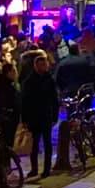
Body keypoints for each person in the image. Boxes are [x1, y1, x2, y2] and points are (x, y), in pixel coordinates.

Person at [21, 50, 59, 178]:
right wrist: (25, 119)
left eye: (44, 65)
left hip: (46, 115)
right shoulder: (29, 81)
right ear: (36, 66)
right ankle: (34, 168)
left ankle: (46, 169)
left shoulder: (49, 80)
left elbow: (54, 99)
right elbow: (25, 101)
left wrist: (55, 115)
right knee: (35, 143)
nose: (43, 67)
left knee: (47, 143)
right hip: (34, 116)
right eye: (41, 65)